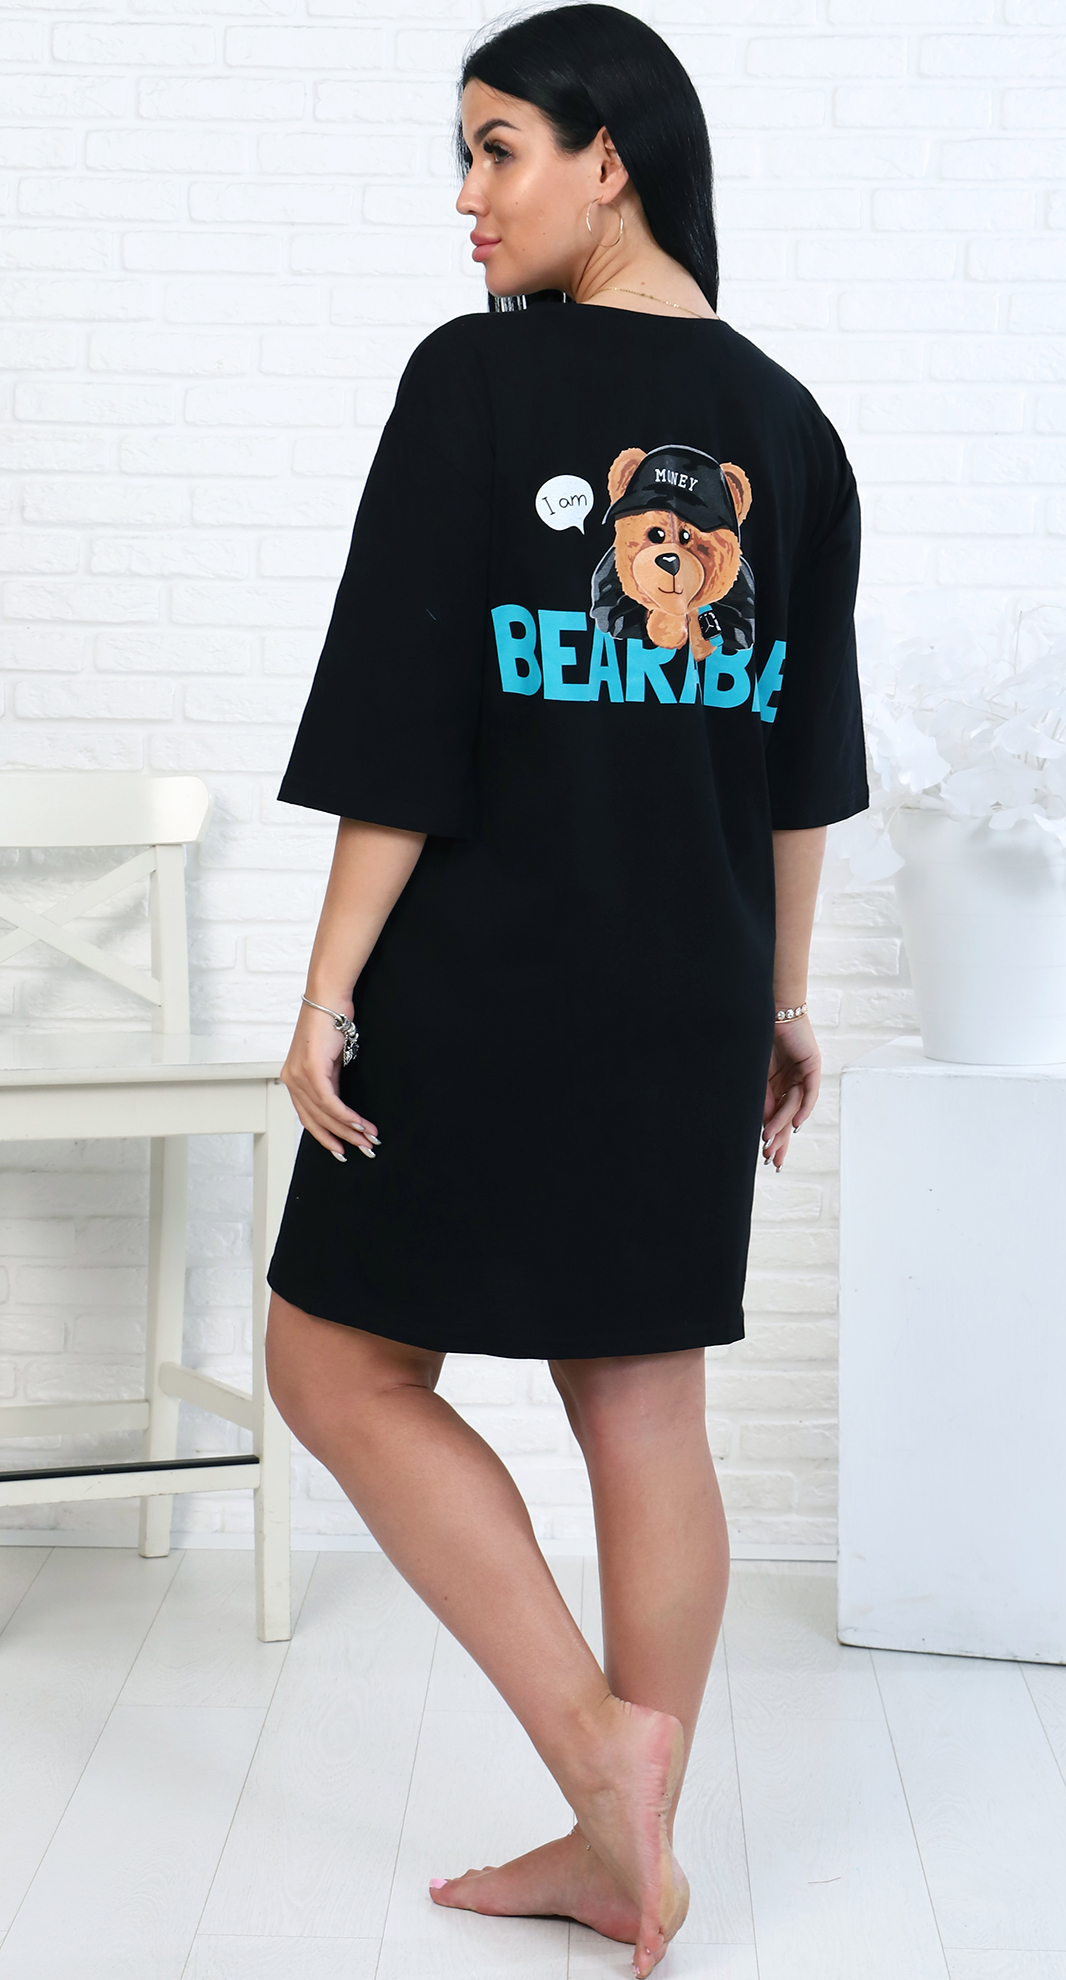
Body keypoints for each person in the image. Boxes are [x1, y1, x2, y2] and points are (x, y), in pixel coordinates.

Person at [264, 7, 869, 1974]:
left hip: (482, 981)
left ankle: (607, 1772)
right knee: (647, 1411)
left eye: (498, 146)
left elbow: (402, 721)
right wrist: (782, 1001)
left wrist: (327, 990)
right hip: (690, 990)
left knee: (334, 1368)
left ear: (613, 158)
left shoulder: (474, 380)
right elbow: (801, 771)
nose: (469, 195)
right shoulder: (795, 425)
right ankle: (635, 1848)